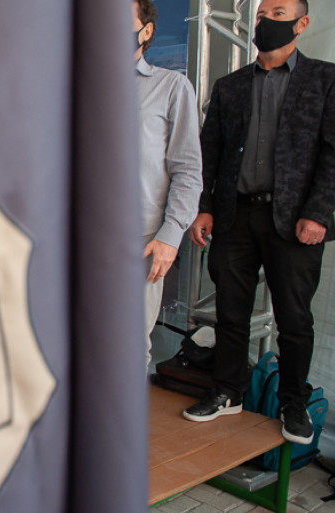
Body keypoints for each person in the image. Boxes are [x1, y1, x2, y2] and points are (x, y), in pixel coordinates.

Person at [184, 0, 335, 446]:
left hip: (295, 220)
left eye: (278, 12)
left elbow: (334, 154)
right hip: (235, 214)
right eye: (263, 12)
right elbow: (208, 154)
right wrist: (204, 206)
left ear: (301, 23)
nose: (266, 19)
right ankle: (227, 391)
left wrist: (318, 212)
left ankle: (294, 402)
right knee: (231, 311)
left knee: (294, 319)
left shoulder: (325, 79)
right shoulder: (230, 85)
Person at [132, 0, 202, 371]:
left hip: (140, 241)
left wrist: (171, 235)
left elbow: (188, 170)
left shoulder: (171, 87)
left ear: (146, 31)